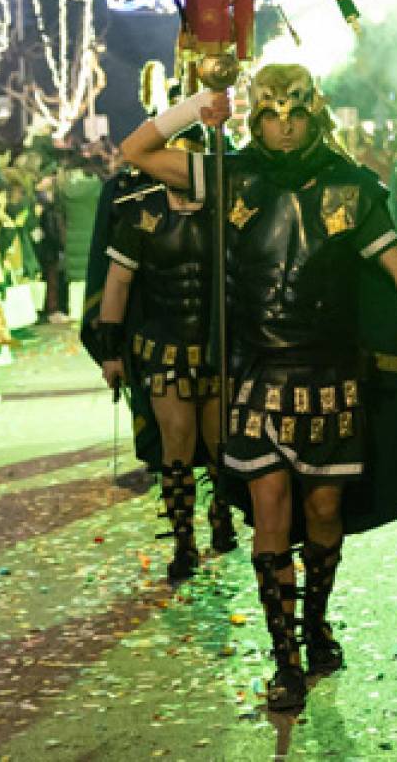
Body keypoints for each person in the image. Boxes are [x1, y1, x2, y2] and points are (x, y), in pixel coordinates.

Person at [128, 64, 397, 711]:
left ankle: (314, 622)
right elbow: (136, 151)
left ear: (314, 113)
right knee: (272, 510)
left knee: (325, 511)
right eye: (272, 113)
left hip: (331, 380)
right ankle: (285, 660)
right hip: (254, 378)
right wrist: (200, 104)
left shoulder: (352, 189)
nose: (284, 125)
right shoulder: (229, 175)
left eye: (296, 113)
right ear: (257, 117)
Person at [101, 89, 242, 581]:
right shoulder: (140, 213)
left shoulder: (226, 211)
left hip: (216, 345)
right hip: (163, 345)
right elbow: (117, 285)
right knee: (177, 443)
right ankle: (184, 541)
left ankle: (222, 517)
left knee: (218, 443)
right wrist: (110, 350)